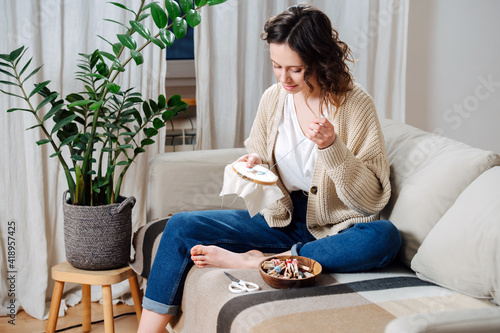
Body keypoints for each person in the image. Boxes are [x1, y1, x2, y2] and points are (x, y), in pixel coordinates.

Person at [138, 4, 401, 332]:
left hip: (338, 227)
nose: (284, 78)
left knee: (384, 237)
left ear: (319, 59)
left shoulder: (355, 104)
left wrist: (332, 147)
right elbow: (261, 160)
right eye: (277, 66)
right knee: (179, 227)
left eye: (295, 68)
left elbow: (370, 200)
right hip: (282, 219)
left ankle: (263, 261)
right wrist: (255, 165)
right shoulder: (273, 99)